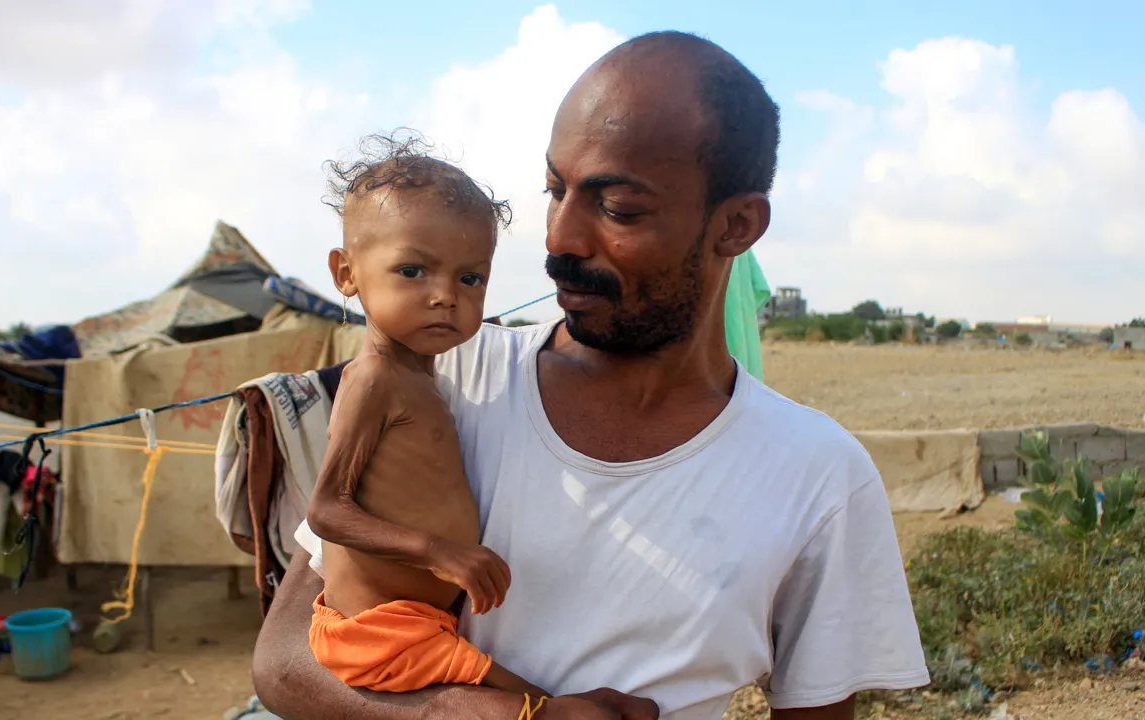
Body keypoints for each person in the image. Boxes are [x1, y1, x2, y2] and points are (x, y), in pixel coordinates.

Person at [253, 31, 929, 720]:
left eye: (618, 208)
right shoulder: (443, 375)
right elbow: (283, 659)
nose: (560, 238)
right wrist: (492, 715)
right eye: (556, 191)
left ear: (735, 225)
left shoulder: (818, 475)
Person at [304, 134, 548, 702]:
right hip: (379, 633)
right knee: (545, 708)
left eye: (471, 278)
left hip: (418, 625)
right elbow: (326, 510)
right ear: (346, 273)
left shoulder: (424, 379)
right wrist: (440, 552)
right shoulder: (373, 378)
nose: (446, 296)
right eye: (413, 270)